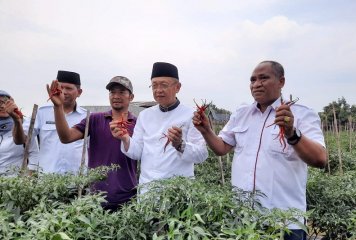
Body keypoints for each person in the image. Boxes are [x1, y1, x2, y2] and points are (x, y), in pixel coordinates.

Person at [192, 60, 327, 240]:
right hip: (242, 220)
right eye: (253, 80)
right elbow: (221, 148)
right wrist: (206, 130)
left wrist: (291, 133)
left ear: (281, 82)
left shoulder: (301, 114)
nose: (256, 84)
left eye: (263, 78)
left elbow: (320, 159)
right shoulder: (242, 114)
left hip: (284, 223)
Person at [110, 62, 208, 192]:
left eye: (164, 85)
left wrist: (179, 144)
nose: (158, 90)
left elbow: (201, 155)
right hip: (148, 190)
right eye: (154, 85)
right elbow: (137, 152)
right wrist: (126, 139)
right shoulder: (145, 115)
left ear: (177, 87)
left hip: (178, 191)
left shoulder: (191, 115)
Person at [49, 76, 137, 210]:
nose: (116, 96)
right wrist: (58, 106)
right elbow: (66, 137)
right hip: (96, 197)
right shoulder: (94, 119)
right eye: (112, 92)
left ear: (131, 97)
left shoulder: (138, 124)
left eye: (122, 92)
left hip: (128, 198)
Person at [11, 70, 87, 174]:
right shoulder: (42, 112)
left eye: (69, 88)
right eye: (60, 88)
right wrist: (17, 122)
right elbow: (20, 140)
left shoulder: (86, 116)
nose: (64, 92)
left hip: (78, 182)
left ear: (79, 92)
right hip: (47, 182)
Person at [1, 90, 39, 176]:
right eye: (0, 103)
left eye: (6, 102)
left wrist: (29, 177)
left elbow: (34, 154)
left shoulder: (24, 125)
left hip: (15, 182)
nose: (3, 106)